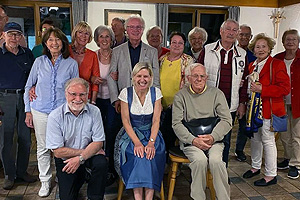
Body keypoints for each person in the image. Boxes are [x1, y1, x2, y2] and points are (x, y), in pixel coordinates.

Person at [24, 27, 79, 197]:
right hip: (40, 109)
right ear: (46, 44)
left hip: (62, 112)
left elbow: (75, 88)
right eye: (50, 40)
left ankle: (63, 178)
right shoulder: (39, 62)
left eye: (57, 40)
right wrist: (28, 111)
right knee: (42, 147)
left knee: (62, 147)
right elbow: (28, 86)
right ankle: (45, 180)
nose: (54, 43)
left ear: (63, 43)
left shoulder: (71, 63)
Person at [172, 63, 232, 200]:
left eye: (202, 76)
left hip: (214, 140)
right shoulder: (180, 96)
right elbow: (176, 124)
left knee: (216, 161)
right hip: (191, 141)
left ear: (207, 78)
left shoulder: (217, 94)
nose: (199, 79)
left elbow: (227, 120)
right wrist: (193, 140)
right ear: (188, 78)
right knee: (200, 161)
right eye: (195, 76)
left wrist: (212, 137)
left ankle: (224, 198)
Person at [46, 78, 108, 200]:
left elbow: (98, 142)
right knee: (68, 197)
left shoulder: (95, 111)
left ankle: (95, 196)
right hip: (66, 159)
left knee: (101, 163)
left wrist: (81, 158)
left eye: (82, 95)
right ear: (66, 94)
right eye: (73, 94)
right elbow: (58, 151)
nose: (78, 99)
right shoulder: (55, 116)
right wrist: (81, 156)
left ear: (87, 95)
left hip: (89, 156)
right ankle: (81, 175)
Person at [198, 19, 248, 168]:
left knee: (225, 140)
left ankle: (222, 170)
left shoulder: (242, 54)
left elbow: (245, 81)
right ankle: (205, 170)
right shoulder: (208, 50)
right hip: (208, 104)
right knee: (206, 138)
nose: (231, 33)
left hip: (230, 105)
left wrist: (242, 103)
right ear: (221, 31)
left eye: (235, 30)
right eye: (228, 29)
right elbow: (197, 75)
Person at [243, 33, 290, 186]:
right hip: (253, 110)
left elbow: (285, 88)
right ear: (253, 50)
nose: (261, 49)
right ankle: (255, 167)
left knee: (268, 141)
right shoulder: (252, 65)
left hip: (269, 110)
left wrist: (263, 89)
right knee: (255, 139)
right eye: (258, 47)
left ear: (269, 48)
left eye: (264, 46)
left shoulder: (276, 64)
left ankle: (271, 174)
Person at [114, 62, 165, 200]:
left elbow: (156, 121)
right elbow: (126, 121)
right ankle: (138, 198)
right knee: (138, 156)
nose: (142, 80)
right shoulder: (126, 92)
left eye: (146, 76)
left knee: (149, 156)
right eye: (139, 76)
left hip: (152, 134)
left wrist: (151, 143)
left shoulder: (156, 93)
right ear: (133, 77)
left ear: (151, 78)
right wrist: (137, 143)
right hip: (131, 135)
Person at [0, 22, 36, 190]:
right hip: (3, 98)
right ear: (3, 35)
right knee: (6, 139)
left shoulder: (28, 54)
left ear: (21, 36)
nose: (14, 37)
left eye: (17, 34)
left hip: (24, 99)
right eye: (10, 34)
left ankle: (22, 171)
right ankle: (9, 174)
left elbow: (35, 77)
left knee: (25, 138)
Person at [108, 14, 160, 115]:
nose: (135, 30)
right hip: (123, 99)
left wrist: (155, 99)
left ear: (142, 30)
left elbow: (155, 78)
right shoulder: (117, 51)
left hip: (146, 100)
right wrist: (116, 99)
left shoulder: (152, 51)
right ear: (126, 29)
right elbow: (111, 77)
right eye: (131, 27)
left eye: (138, 27)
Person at [159, 31, 193, 156]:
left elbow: (189, 84)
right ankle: (163, 162)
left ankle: (172, 164)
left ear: (184, 45)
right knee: (161, 135)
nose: (177, 45)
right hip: (160, 104)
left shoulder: (188, 61)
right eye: (174, 42)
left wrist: (176, 103)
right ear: (169, 43)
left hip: (178, 106)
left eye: (180, 43)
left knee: (172, 136)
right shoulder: (162, 59)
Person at [93, 25, 118, 185]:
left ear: (112, 39)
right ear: (96, 40)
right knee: (96, 132)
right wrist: (92, 79)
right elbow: (86, 74)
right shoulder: (92, 55)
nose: (104, 40)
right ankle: (98, 164)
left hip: (112, 100)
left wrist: (117, 76)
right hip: (96, 99)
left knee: (111, 130)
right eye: (101, 37)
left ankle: (111, 166)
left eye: (107, 36)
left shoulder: (117, 54)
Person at [274, 29, 300, 178]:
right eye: (288, 39)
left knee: (297, 135)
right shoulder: (277, 59)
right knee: (284, 134)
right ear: (283, 42)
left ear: (298, 42)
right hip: (281, 103)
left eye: (294, 39)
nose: (290, 42)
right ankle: (288, 158)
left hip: (298, 103)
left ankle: (296, 165)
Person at [235, 24, 256, 162]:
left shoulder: (254, 55)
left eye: (247, 35)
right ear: (237, 35)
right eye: (241, 34)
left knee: (244, 124)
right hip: (230, 93)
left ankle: (239, 150)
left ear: (251, 37)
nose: (244, 37)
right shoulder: (232, 52)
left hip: (247, 94)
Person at [69, 21, 100, 104]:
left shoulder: (92, 55)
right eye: (80, 32)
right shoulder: (65, 51)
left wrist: (93, 102)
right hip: (66, 97)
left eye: (86, 33)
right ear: (75, 34)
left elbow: (96, 82)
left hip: (85, 98)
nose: (83, 36)